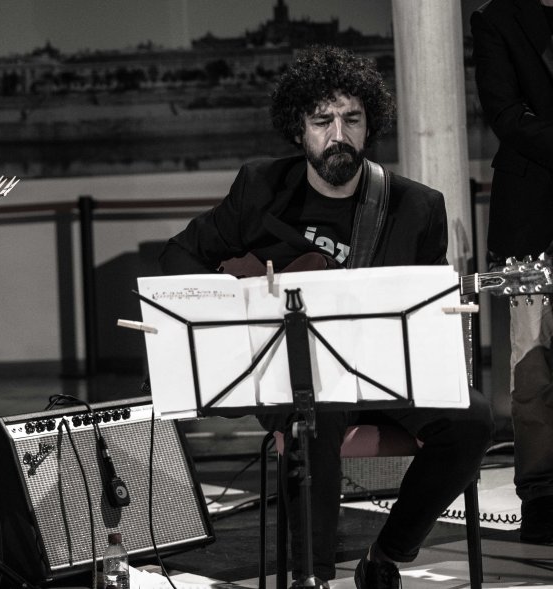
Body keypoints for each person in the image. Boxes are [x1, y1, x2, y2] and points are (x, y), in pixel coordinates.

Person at [160, 46, 494, 589]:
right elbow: (178, 255)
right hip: (288, 372)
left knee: (472, 419)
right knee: (314, 409)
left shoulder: (415, 207)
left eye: (352, 119)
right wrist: (240, 305)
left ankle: (385, 554)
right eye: (322, 121)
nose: (338, 135)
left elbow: (426, 316)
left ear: (369, 125)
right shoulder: (261, 189)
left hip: (381, 371)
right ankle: (309, 579)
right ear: (300, 129)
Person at [471, 0, 553, 545]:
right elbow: (505, 115)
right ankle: (542, 496)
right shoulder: (496, 18)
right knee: (533, 367)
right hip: (532, 220)